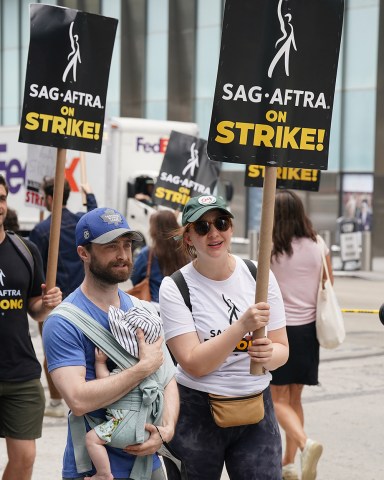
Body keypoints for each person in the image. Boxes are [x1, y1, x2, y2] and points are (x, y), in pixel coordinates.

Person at [42, 207, 179, 480]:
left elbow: (167, 379)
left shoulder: (142, 309)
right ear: (84, 253)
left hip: (149, 465)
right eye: (111, 246)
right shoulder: (64, 322)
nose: (123, 255)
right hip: (97, 471)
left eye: (127, 245)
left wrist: (167, 429)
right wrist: (142, 369)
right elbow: (78, 400)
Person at [159, 194, 289, 480]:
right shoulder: (175, 287)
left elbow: (282, 350)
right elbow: (194, 363)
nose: (214, 233)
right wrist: (241, 326)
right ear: (189, 237)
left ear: (231, 227)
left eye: (221, 223)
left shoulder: (259, 274)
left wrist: (270, 355)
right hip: (196, 412)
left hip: (256, 408)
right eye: (203, 227)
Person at [0, 174, 62, 480]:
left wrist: (47, 304)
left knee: (25, 459)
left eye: (1, 198)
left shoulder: (25, 250)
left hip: (20, 374)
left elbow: (34, 310)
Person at [270, 190, 333, 480]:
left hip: (281, 331)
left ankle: (306, 445)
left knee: (276, 400)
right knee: (294, 399)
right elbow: (328, 283)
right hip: (309, 332)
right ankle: (287, 463)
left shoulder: (270, 248)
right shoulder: (319, 245)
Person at [29, 176, 97, 417]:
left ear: (49, 198)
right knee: (86, 351)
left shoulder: (41, 230)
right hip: (83, 297)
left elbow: (36, 268)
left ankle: (58, 401)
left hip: (54, 300)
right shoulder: (80, 221)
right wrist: (89, 195)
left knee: (53, 353)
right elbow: (97, 221)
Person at [85, 305, 164, 480]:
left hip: (122, 426)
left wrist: (99, 362)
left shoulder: (124, 371)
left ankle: (104, 474)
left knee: (92, 439)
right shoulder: (156, 369)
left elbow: (103, 381)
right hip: (146, 428)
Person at [130, 210, 190, 306]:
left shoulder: (148, 253)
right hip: (180, 304)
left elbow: (134, 276)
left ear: (154, 230)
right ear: (175, 225)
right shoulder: (185, 250)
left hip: (154, 305)